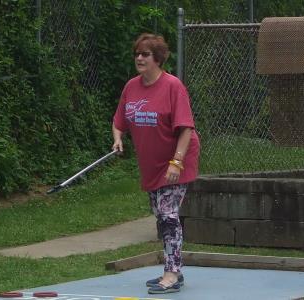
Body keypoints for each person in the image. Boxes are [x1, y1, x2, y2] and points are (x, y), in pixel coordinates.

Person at [112, 33, 200, 295]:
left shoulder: (173, 87)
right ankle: (176, 269)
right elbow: (119, 122)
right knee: (161, 217)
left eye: (145, 54)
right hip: (151, 164)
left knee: (169, 216)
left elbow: (186, 128)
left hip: (178, 158)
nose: (139, 58)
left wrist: (177, 162)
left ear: (157, 58)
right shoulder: (131, 87)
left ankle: (171, 273)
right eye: (137, 54)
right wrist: (118, 139)